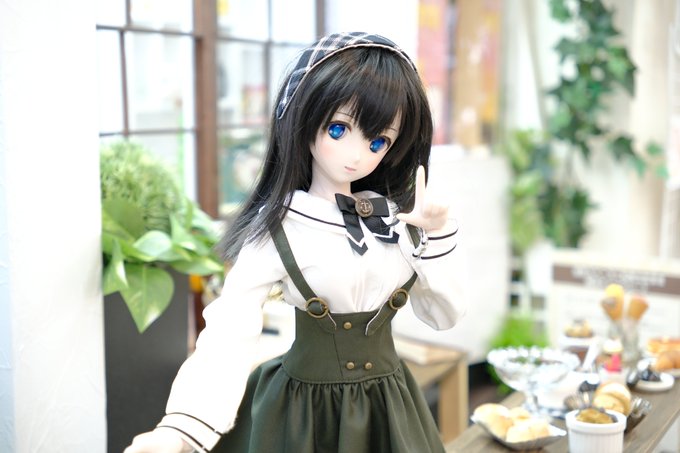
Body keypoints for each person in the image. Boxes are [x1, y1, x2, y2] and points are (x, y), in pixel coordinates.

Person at [124, 31, 466, 453]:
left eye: (378, 141)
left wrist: (434, 234)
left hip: (388, 409)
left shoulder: (396, 221)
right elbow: (230, 331)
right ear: (304, 118)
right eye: (339, 129)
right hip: (305, 418)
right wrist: (177, 430)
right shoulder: (280, 229)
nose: (356, 155)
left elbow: (444, 316)